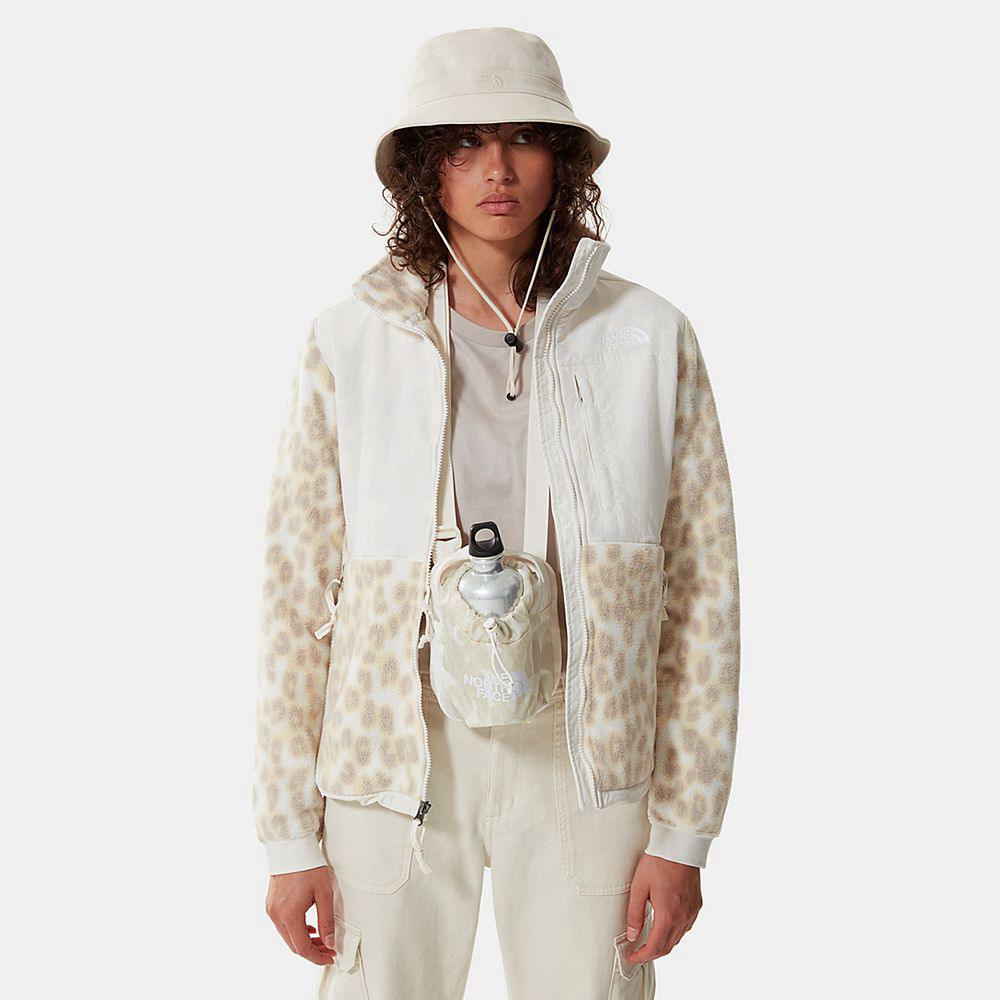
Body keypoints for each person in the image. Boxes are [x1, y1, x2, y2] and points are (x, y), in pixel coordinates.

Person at [253, 26, 741, 999]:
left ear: (561, 160)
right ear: (424, 169)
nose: (498, 169)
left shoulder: (647, 336)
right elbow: (295, 584)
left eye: (522, 137)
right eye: (465, 143)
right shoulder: (352, 339)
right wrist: (287, 833)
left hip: (585, 747)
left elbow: (702, 590)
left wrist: (685, 831)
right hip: (394, 742)